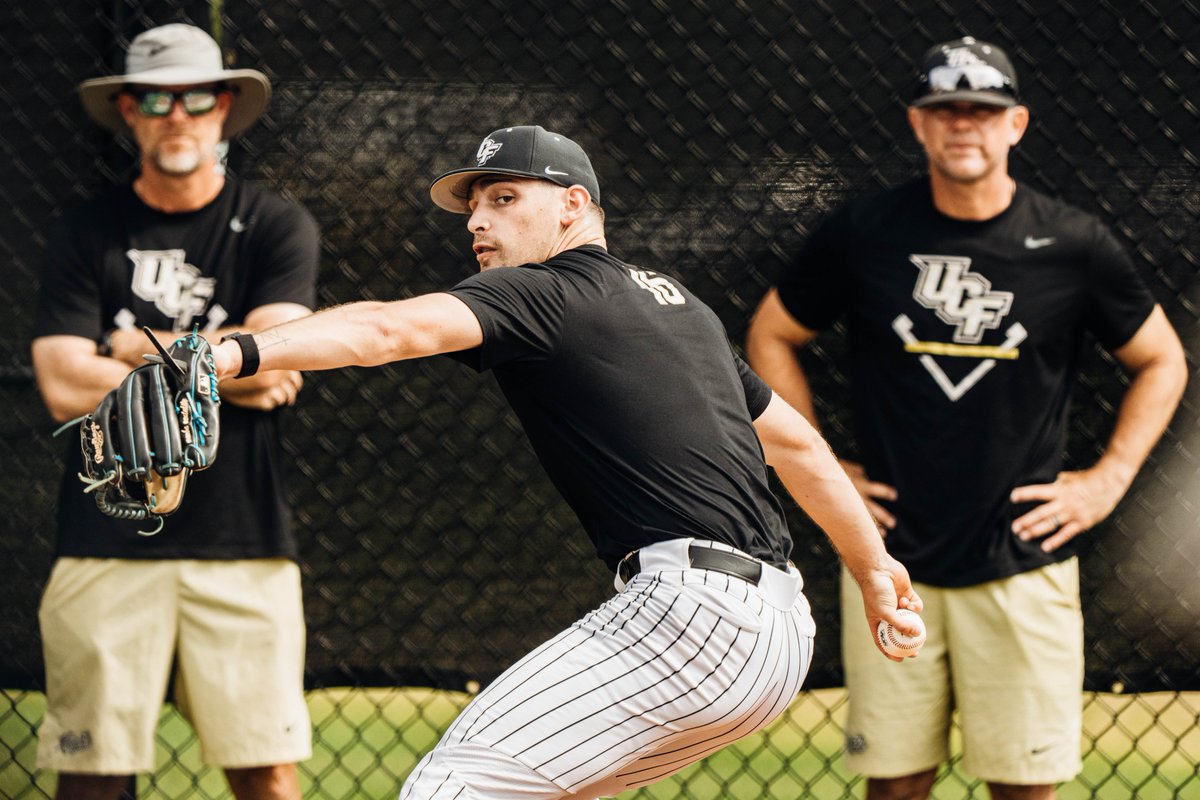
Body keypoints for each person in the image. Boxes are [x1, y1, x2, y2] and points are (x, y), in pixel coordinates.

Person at [202, 123, 923, 799]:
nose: (479, 221)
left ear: (575, 205)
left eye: (506, 198)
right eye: (474, 207)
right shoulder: (683, 308)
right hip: (778, 639)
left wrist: (226, 353)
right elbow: (794, 443)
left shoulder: (545, 292)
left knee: (449, 785)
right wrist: (872, 571)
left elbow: (389, 329)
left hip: (692, 618)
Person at [746, 36, 1187, 800]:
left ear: (1015, 124)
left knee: (1024, 788)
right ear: (918, 125)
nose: (963, 127)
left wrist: (1108, 481)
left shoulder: (1073, 244)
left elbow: (1164, 360)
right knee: (894, 785)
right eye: (945, 111)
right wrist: (820, 464)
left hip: (1023, 563)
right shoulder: (866, 232)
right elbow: (771, 335)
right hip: (890, 561)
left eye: (981, 112)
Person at [30, 23, 319, 800]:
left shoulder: (275, 226)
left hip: (244, 541)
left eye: (196, 96)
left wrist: (128, 347)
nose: (177, 114)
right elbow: (61, 383)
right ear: (129, 110)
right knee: (90, 776)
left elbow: (277, 364)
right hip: (105, 535)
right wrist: (223, 359)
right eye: (156, 98)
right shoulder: (86, 230)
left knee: (265, 772)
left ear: (224, 106)